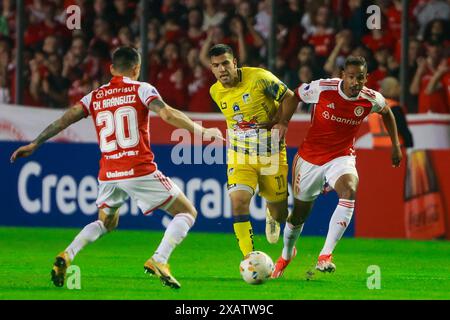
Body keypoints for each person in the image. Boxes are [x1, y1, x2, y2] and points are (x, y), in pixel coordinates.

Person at [10, 47, 222, 289]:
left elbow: (64, 120)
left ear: (111, 69)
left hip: (109, 173)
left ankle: (68, 253)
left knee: (107, 222)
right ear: (136, 69)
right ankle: (159, 260)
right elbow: (167, 114)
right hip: (138, 168)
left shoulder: (94, 96)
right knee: (187, 213)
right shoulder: (142, 89)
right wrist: (203, 132)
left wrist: (35, 143)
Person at [271, 56, 402, 277]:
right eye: (351, 77)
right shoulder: (323, 88)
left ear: (366, 78)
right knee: (299, 216)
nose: (355, 82)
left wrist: (395, 145)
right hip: (310, 159)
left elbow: (387, 112)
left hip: (341, 157)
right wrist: (283, 121)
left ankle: (325, 255)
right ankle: (286, 254)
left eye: (360, 78)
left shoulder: (370, 98)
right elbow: (295, 95)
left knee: (349, 189)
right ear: (343, 75)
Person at [208, 44, 296, 256]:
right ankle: (250, 258)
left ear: (235, 63)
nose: (221, 69)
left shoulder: (259, 78)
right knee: (238, 203)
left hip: (271, 155)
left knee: (280, 213)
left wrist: (282, 122)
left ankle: (271, 215)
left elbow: (290, 97)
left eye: (225, 63)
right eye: (216, 66)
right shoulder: (215, 91)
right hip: (240, 156)